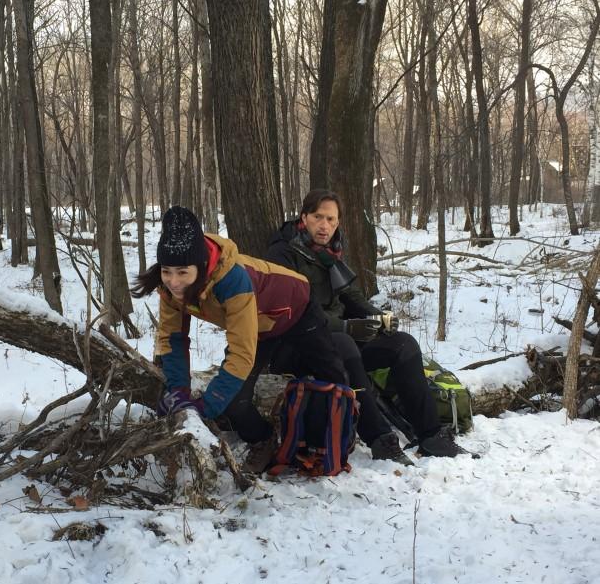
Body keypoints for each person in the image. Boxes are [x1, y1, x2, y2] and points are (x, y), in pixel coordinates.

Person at [131, 206, 401, 472]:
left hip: (296, 308)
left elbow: (241, 354)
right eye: (167, 272)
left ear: (201, 266)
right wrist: (179, 392)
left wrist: (206, 405)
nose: (173, 281)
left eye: (182, 273)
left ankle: (374, 435)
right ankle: (264, 440)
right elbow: (173, 339)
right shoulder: (168, 289)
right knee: (235, 402)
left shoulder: (232, 280)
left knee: (335, 377)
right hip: (257, 327)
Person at [266, 189, 466, 458]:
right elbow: (297, 311)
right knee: (346, 344)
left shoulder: (331, 251)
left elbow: (350, 295)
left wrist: (377, 317)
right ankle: (381, 440)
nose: (325, 226)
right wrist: (346, 327)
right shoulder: (283, 252)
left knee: (403, 345)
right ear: (304, 216)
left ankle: (430, 434)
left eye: (332, 220)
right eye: (318, 217)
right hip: (294, 346)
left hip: (335, 339)